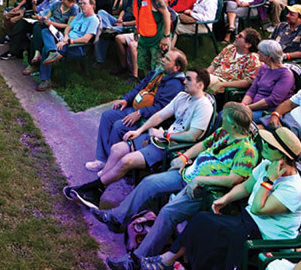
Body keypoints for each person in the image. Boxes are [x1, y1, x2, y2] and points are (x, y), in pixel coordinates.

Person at [101, 103, 260, 269]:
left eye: (225, 116)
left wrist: (201, 180)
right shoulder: (223, 132)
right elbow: (203, 145)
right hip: (187, 174)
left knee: (168, 213)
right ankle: (116, 218)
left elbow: (233, 180)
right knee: (149, 183)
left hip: (203, 189)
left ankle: (135, 261)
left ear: (234, 125)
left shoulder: (247, 151)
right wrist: (184, 157)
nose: (221, 117)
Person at [157, 126, 301, 270]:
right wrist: (225, 200)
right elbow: (245, 187)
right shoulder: (267, 165)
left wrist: (268, 181)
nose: (265, 145)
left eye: (270, 146)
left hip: (265, 237)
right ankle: (169, 260)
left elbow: (257, 209)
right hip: (248, 222)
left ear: (283, 156)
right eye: (266, 142)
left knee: (207, 225)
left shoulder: (293, 189)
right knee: (203, 220)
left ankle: (167, 260)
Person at [78, 67, 212, 185]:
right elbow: (160, 115)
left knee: (126, 160)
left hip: (172, 147)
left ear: (200, 85)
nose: (184, 82)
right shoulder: (183, 96)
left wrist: (165, 134)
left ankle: (97, 187)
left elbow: (192, 137)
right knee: (116, 149)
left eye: (189, 79)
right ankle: (98, 183)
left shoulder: (204, 106)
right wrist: (139, 131)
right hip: (160, 139)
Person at [82, 47, 188, 182]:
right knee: (107, 116)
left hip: (147, 117)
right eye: (164, 56)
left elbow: (161, 108)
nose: (162, 59)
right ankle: (102, 159)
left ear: (176, 67)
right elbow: (139, 87)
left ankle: (114, 165)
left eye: (167, 59)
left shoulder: (175, 85)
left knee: (119, 126)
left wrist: (140, 113)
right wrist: (126, 99)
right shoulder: (158, 72)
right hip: (135, 108)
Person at [34, 0, 101, 91]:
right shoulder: (80, 15)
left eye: (84, 3)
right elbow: (68, 27)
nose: (81, 5)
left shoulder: (94, 20)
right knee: (45, 31)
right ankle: (53, 52)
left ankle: (46, 79)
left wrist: (68, 41)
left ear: (92, 6)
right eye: (81, 3)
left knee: (45, 49)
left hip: (76, 47)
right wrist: (65, 37)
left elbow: (86, 39)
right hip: (65, 40)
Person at [129, 0, 173, 77]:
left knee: (158, 68)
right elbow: (140, 15)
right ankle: (147, 85)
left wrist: (166, 36)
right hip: (144, 37)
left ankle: (158, 86)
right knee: (145, 65)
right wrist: (137, 29)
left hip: (157, 38)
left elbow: (166, 14)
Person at [243, 40, 296, 114]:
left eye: (261, 52)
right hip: (253, 107)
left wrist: (248, 108)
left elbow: (273, 100)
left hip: (268, 111)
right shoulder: (263, 68)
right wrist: (243, 105)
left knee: (236, 117)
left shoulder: (286, 75)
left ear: (269, 57)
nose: (258, 53)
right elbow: (252, 90)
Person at [206, 28, 262, 95]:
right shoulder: (230, 48)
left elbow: (248, 82)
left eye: (240, 36)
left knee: (198, 82)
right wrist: (204, 75)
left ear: (248, 44)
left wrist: (222, 84)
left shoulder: (253, 59)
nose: (236, 36)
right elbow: (214, 65)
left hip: (226, 85)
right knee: (197, 77)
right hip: (213, 79)